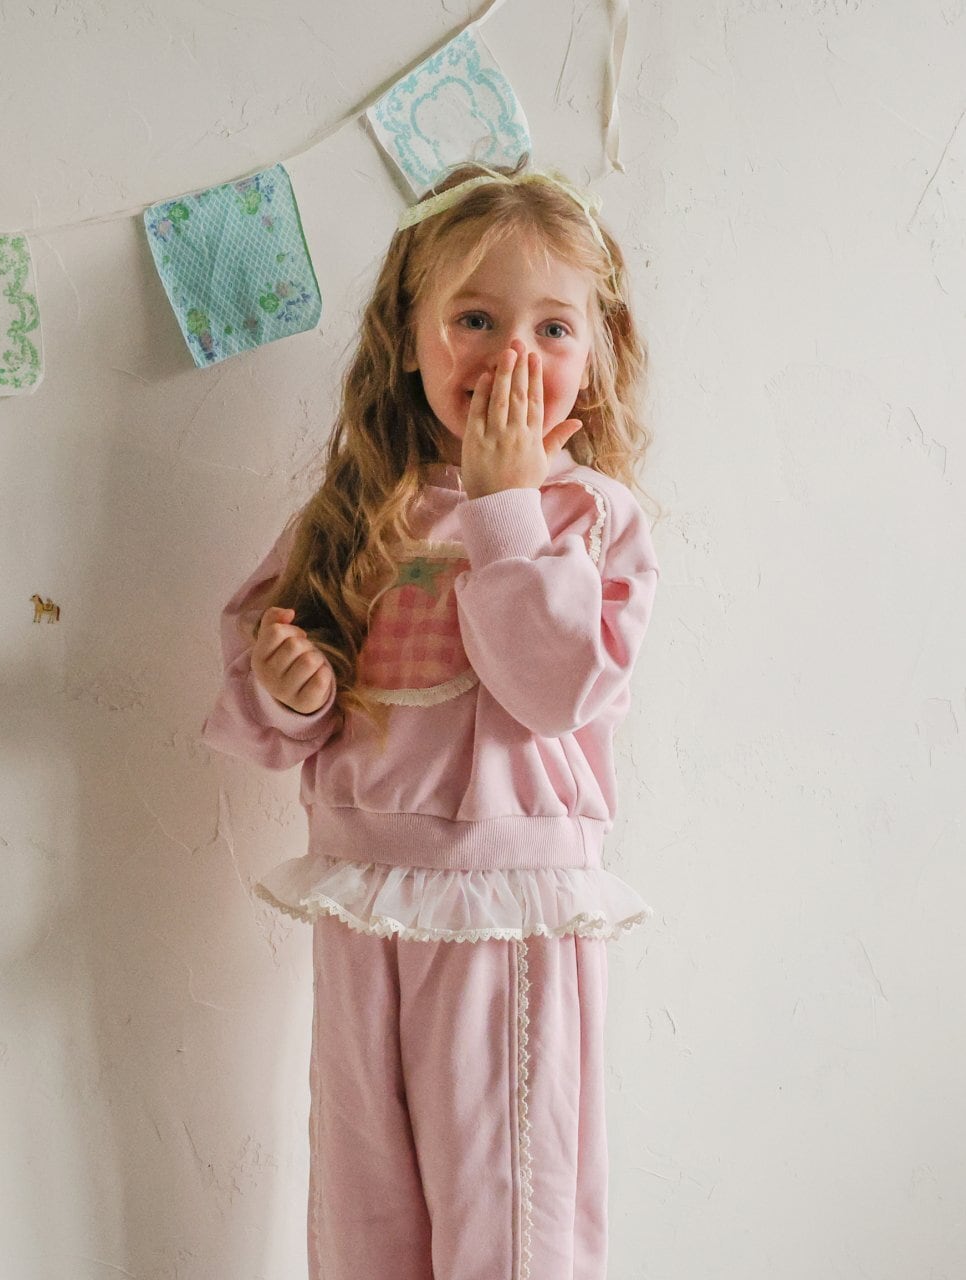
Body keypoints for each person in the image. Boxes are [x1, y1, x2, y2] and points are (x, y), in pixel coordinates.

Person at [200, 154, 662, 1280]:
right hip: (364, 892)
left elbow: (552, 689)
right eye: (475, 318)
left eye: (553, 328)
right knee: (362, 1204)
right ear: (409, 338)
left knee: (505, 1206)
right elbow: (277, 680)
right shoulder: (361, 510)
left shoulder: (589, 518)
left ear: (595, 355)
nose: (512, 354)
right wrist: (292, 687)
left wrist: (507, 506)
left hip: (503, 905)